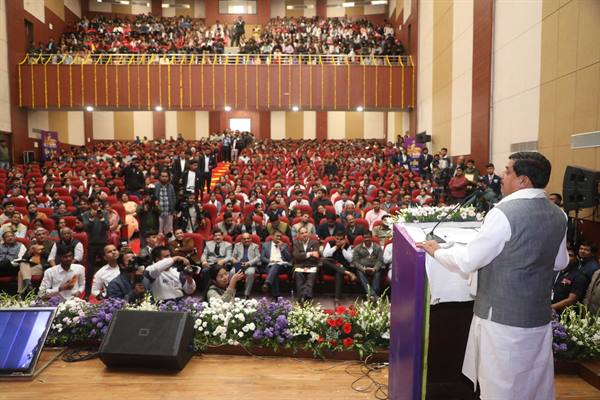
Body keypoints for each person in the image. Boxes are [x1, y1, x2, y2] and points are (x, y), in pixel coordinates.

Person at [417, 152, 569, 399]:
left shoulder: (503, 213)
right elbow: (560, 261)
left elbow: (469, 260)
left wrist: (437, 251)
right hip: (538, 316)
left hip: (501, 319)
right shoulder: (558, 214)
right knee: (533, 381)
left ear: (523, 180)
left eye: (508, 171)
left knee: (501, 385)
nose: (501, 175)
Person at [321, 231, 357, 307]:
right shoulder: (330, 243)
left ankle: (337, 299)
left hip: (341, 267)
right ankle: (348, 273)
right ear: (335, 238)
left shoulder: (348, 246)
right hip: (330, 267)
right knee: (324, 261)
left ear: (344, 239)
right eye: (337, 239)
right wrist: (336, 247)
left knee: (339, 272)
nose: (338, 241)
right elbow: (325, 254)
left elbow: (350, 259)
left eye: (341, 239)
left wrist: (343, 249)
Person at [552, 247, 587, 312]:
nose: (567, 257)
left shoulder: (579, 276)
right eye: (564, 255)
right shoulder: (556, 271)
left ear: (576, 258)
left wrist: (550, 308)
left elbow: (571, 300)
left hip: (563, 313)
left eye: (570, 255)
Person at [200, 230, 233, 296]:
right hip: (211, 264)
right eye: (215, 236)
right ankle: (207, 291)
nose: (217, 237)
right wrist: (204, 261)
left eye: (219, 235)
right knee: (205, 271)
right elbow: (204, 254)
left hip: (222, 264)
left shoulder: (228, 245)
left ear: (222, 236)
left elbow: (229, 256)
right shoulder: (208, 244)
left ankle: (223, 291)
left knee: (222, 271)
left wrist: (222, 261)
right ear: (213, 237)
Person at [352, 232, 384, 299]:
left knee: (377, 273)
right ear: (363, 238)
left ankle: (372, 296)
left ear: (371, 237)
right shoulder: (357, 248)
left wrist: (375, 268)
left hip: (375, 268)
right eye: (365, 237)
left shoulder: (378, 247)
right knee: (359, 272)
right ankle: (373, 295)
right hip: (363, 268)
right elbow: (355, 261)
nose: (367, 239)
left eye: (368, 237)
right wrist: (363, 268)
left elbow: (380, 260)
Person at [260, 231, 292, 298]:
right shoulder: (265, 245)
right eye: (277, 236)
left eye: (280, 236)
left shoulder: (284, 245)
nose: (279, 238)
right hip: (269, 265)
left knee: (276, 266)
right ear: (272, 236)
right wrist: (271, 261)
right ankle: (276, 296)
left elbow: (288, 258)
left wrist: (282, 248)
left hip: (282, 266)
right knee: (275, 272)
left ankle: (267, 283)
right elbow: (262, 258)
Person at [292, 227, 320, 303]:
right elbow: (296, 256)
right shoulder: (296, 243)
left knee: (310, 278)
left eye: (305, 232)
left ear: (308, 233)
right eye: (302, 233)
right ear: (299, 235)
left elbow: (315, 257)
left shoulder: (314, 243)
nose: (304, 235)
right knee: (299, 275)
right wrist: (310, 253)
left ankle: (303, 296)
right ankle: (304, 297)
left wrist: (303, 256)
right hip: (299, 266)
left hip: (311, 265)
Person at [230, 232, 261, 299]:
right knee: (232, 272)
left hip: (250, 265)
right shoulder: (237, 245)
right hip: (239, 264)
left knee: (250, 273)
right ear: (241, 240)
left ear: (251, 239)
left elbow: (258, 257)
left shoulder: (255, 246)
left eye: (248, 238)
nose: (246, 240)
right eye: (244, 239)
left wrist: (249, 263)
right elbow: (232, 257)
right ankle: (231, 292)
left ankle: (246, 294)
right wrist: (235, 261)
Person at [154, 170, 177, 238]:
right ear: (160, 177)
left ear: (168, 177)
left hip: (169, 212)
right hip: (158, 213)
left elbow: (174, 198)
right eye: (163, 176)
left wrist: (173, 209)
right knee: (159, 234)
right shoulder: (155, 186)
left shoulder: (171, 186)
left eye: (166, 176)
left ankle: (169, 244)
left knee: (169, 234)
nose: (164, 178)